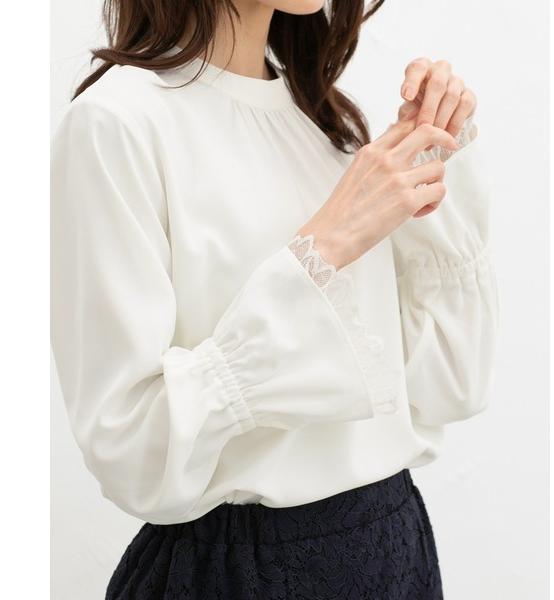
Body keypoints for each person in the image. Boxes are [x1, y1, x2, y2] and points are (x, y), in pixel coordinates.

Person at [50, 1, 499, 598]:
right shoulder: (117, 124)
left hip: (394, 548)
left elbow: (448, 388)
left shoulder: (329, 124)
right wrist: (322, 250)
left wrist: (432, 152)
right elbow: (131, 451)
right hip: (243, 573)